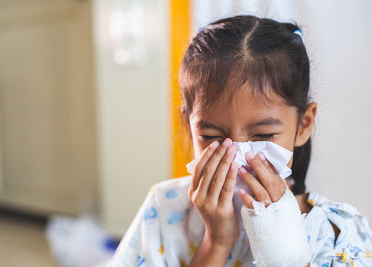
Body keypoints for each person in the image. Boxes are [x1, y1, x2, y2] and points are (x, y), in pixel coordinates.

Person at [108, 15, 372, 267]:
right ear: (189, 126)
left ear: (304, 124)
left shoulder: (339, 230)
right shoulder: (164, 209)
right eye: (212, 137)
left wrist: (287, 257)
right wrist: (216, 243)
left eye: (264, 136)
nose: (236, 156)